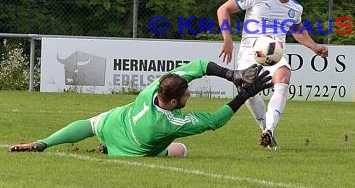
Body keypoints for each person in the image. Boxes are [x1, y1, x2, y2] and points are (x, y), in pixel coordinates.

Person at [9, 60, 272, 156]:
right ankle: (110, 149)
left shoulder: (155, 88)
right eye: (186, 95)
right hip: (128, 150)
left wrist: (232, 75)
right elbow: (215, 120)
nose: (189, 95)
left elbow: (201, 65)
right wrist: (245, 93)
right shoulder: (169, 122)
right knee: (181, 150)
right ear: (172, 102)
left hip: (115, 122)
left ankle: (44, 143)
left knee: (90, 124)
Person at [217, 0, 328, 150]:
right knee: (248, 92)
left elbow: (297, 30)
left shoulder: (295, 8)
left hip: (275, 54)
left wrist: (314, 46)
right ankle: (265, 129)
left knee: (283, 77)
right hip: (249, 53)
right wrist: (227, 38)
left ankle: (270, 128)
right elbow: (224, 9)